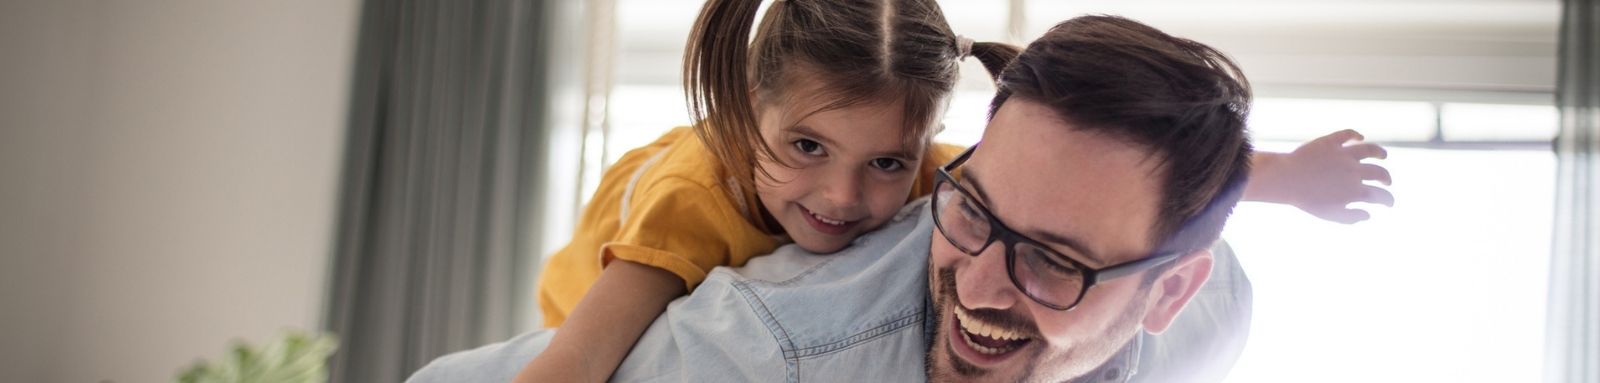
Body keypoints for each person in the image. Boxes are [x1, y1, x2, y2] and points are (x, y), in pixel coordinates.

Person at [511, 4, 1394, 383]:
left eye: (886, 165)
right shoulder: (693, 209)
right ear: (748, 115)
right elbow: (571, 362)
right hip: (593, 293)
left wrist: (1283, 179)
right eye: (806, 147)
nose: (842, 195)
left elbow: (1177, 184)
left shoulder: (947, 172)